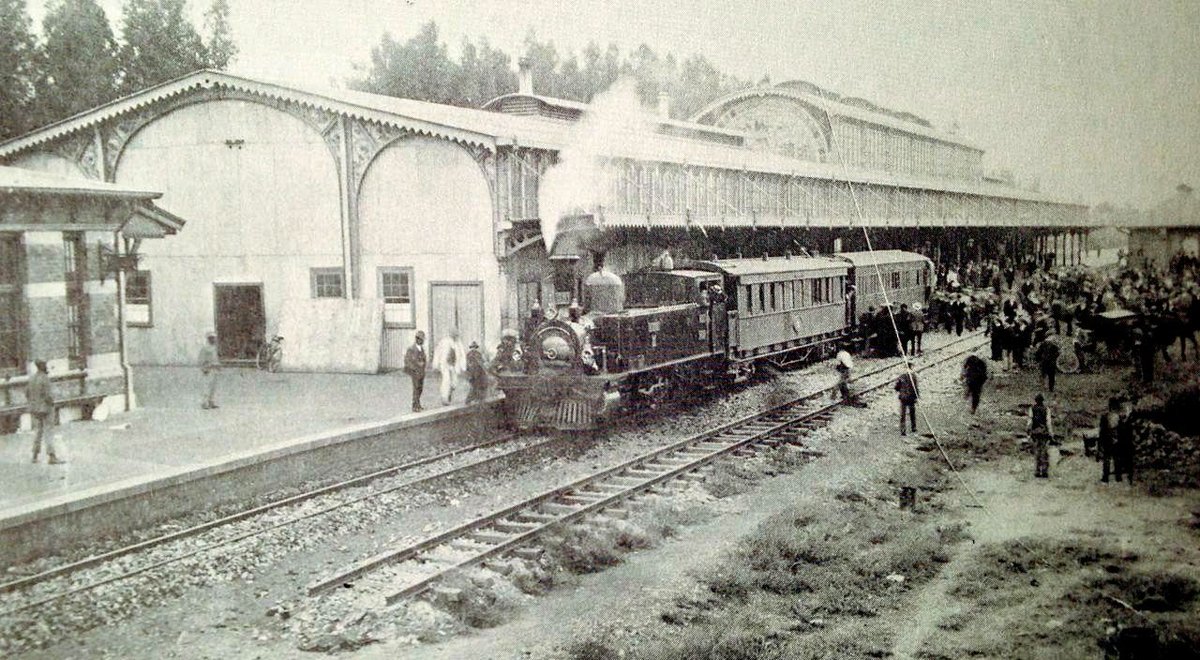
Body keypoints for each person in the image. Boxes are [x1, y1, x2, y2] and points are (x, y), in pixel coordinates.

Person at [27, 360, 63, 464]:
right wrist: (52, 404)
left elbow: (27, 393)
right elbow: (48, 396)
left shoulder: (32, 378)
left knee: (38, 432)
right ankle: (52, 456)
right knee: (48, 432)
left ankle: (34, 455)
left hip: (34, 409)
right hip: (46, 409)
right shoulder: (45, 379)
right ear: (43, 367)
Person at [432, 329, 467, 405]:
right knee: (446, 380)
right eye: (454, 335)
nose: (455, 337)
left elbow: (462, 355)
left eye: (456, 336)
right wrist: (436, 364)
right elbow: (438, 352)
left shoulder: (459, 343)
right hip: (445, 364)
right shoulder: (444, 342)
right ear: (451, 335)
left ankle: (449, 393)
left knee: (454, 383)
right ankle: (444, 398)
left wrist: (463, 366)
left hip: (454, 365)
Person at [1028, 393, 1053, 478]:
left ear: (1036, 401)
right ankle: (1045, 471)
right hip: (1044, 433)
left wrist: (1028, 431)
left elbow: (1030, 421)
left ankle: (1037, 471)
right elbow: (1048, 422)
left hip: (1035, 433)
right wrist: (1051, 433)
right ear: (1043, 401)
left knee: (1037, 452)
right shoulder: (1046, 409)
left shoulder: (1032, 409)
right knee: (1044, 452)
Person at [1098, 396, 1121, 482]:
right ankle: (1118, 477)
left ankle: (1105, 477)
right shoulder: (1119, 417)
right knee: (1117, 458)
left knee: (1107, 458)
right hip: (1116, 439)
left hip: (1107, 439)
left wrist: (1101, 442)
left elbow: (1102, 430)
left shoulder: (1105, 416)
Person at [403, 330, 427, 412]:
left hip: (421, 372)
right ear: (417, 339)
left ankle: (418, 404)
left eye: (423, 339)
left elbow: (424, 359)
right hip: (415, 372)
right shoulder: (411, 349)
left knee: (420, 388)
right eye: (421, 339)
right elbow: (407, 361)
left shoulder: (422, 349)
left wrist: (423, 365)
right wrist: (415, 367)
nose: (422, 341)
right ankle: (415, 405)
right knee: (416, 388)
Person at [1113, 398, 1136, 483]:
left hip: (1126, 442)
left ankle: (1129, 477)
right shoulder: (1121, 422)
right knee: (1121, 459)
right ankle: (1120, 476)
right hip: (1123, 442)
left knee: (1127, 460)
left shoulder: (1128, 422)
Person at [199, 331, 220, 410]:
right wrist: (204, 369)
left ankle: (211, 402)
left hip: (214, 368)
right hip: (208, 369)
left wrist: (218, 366)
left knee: (213, 387)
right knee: (206, 387)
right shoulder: (205, 348)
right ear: (208, 339)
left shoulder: (214, 348)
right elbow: (201, 360)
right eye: (211, 338)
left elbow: (215, 358)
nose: (213, 340)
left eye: (214, 338)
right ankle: (204, 403)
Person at [894, 371, 919, 436]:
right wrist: (916, 397)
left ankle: (903, 430)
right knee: (912, 413)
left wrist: (900, 390)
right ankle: (913, 427)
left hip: (903, 397)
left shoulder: (901, 376)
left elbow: (896, 387)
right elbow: (915, 388)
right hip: (911, 397)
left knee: (903, 414)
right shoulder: (913, 376)